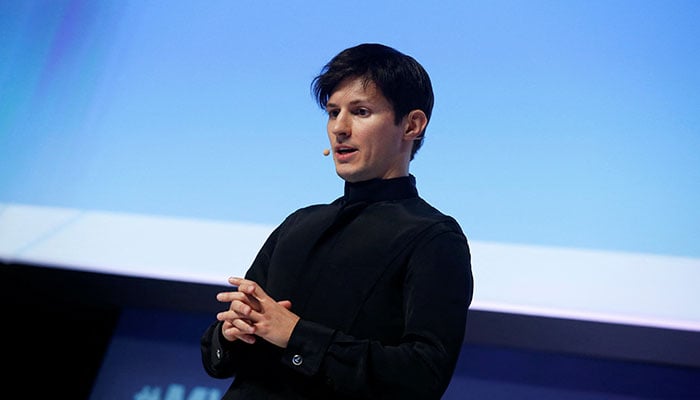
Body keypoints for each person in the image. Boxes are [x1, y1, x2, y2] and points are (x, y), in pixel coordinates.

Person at [200, 43, 474, 399]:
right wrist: (232, 331)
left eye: (360, 112)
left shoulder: (433, 238)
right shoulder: (298, 224)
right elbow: (216, 360)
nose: (339, 128)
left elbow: (423, 376)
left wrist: (297, 336)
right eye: (332, 112)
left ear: (412, 124)